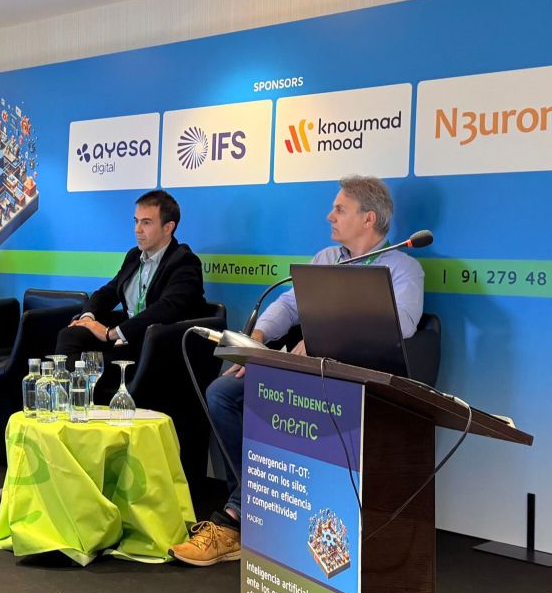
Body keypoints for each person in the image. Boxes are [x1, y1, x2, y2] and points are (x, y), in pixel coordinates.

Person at [170, 175, 425, 565]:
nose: (329, 216)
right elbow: (290, 305)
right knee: (222, 393)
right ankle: (255, 505)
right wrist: (257, 338)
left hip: (355, 378)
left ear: (368, 218)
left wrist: (325, 339)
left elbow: (402, 324)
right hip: (305, 369)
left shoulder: (402, 267)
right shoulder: (327, 258)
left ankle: (237, 518)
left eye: (339, 209)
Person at [55, 189, 205, 395]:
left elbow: (167, 309)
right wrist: (88, 318)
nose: (137, 230)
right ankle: (71, 400)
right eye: (136, 221)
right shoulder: (135, 256)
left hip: (155, 349)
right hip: (126, 343)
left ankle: (74, 401)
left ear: (168, 227)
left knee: (85, 369)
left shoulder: (184, 262)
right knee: (70, 335)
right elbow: (107, 293)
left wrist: (111, 333)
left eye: (146, 223)